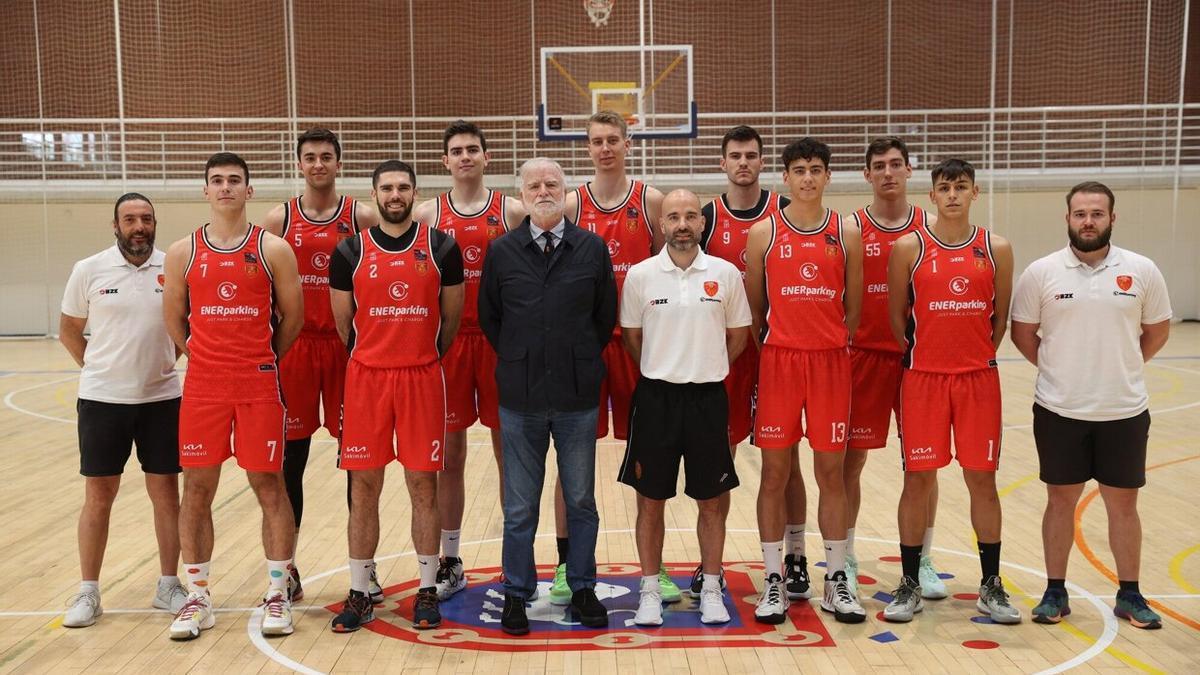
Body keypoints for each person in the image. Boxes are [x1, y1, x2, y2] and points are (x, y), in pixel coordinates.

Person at [1011, 181, 1171, 629]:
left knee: (1124, 506)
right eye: (1080, 214)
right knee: (1060, 502)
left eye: (1096, 214)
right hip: (1059, 410)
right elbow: (1023, 333)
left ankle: (1131, 594)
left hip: (1123, 411)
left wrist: (1121, 366)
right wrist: (1061, 371)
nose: (1087, 221)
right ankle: (1054, 592)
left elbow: (1156, 330)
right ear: (1067, 218)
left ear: (1112, 219)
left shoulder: (1141, 270)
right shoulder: (1042, 272)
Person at [161, 152, 304, 640]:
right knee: (197, 490)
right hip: (203, 387)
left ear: (249, 190)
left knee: (270, 487)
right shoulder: (183, 251)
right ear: (205, 191)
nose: (225, 188)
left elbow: (293, 319)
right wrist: (203, 357)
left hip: (258, 384)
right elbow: (173, 319)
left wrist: (261, 359)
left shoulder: (273, 249)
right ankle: (198, 596)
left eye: (234, 180)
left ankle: (277, 593)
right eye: (217, 181)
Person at [479, 157, 617, 635]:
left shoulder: (592, 248)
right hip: (520, 398)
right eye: (534, 184)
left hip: (578, 396)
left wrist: (575, 357)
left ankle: (582, 587)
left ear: (565, 190)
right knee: (520, 507)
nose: (543, 191)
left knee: (580, 500)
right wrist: (522, 357)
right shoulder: (502, 252)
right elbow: (490, 319)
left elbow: (604, 319)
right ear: (521, 193)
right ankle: (517, 593)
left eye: (552, 183)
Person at [327, 160, 464, 632]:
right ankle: (361, 591)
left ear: (415, 192)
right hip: (367, 381)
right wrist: (376, 356)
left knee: (423, 485)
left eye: (403, 187)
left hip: (422, 379)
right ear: (374, 194)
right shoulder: (349, 251)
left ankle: (427, 590)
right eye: (386, 188)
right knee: (364, 487)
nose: (395, 195)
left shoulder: (442, 247)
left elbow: (451, 323)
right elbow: (344, 325)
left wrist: (418, 355)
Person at [883, 158, 1019, 624]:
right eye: (945, 187)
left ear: (975, 193)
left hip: (978, 379)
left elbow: (999, 318)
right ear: (933, 196)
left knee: (982, 479)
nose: (954, 195)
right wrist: (929, 356)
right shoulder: (909, 247)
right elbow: (896, 315)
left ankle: (991, 585)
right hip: (922, 379)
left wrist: (975, 355)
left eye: (962, 187)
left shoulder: (996, 247)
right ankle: (908, 583)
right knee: (917, 480)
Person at [745, 137, 866, 624]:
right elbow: (756, 310)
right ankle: (774, 579)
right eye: (799, 170)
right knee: (775, 474)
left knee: (830, 474)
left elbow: (852, 309)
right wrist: (781, 345)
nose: (809, 178)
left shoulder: (847, 232)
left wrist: (828, 341)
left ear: (829, 175)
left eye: (817, 169)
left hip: (831, 363)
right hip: (779, 362)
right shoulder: (764, 233)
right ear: (786, 177)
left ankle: (836, 579)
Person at [549, 110, 667, 605]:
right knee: (572, 460)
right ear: (587, 147)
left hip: (641, 345)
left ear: (628, 142)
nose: (605, 148)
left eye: (613, 140)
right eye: (596, 141)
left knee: (649, 458)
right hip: (587, 347)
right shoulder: (571, 205)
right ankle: (564, 564)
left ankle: (652, 570)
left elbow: (669, 267)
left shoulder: (653, 201)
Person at [618, 189, 750, 626]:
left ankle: (711, 587)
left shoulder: (726, 274)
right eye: (673, 216)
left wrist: (704, 365)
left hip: (708, 399)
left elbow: (738, 336)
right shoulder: (640, 276)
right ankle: (650, 591)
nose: (682, 224)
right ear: (661, 224)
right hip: (656, 399)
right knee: (650, 502)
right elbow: (634, 340)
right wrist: (668, 367)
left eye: (691, 215)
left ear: (702, 223)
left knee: (711, 501)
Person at [260, 128, 379, 603]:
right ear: (299, 164)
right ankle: (285, 567)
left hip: (350, 349)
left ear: (338, 163)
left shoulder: (362, 216)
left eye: (326, 157)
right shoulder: (278, 219)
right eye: (310, 157)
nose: (318, 165)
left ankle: (363, 569)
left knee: (360, 463)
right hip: (296, 348)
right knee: (291, 462)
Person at [59, 193, 187, 627]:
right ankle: (88, 592)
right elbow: (70, 329)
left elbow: (183, 330)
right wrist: (98, 368)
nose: (139, 226)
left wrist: (165, 364)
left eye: (146, 219)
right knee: (99, 497)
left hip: (161, 400)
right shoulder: (88, 269)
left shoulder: (174, 267)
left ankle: (169, 584)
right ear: (115, 225)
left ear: (155, 223)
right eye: (130, 219)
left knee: (167, 496)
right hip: (102, 401)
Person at [411, 120, 526, 600]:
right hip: (451, 343)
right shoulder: (426, 213)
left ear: (486, 157)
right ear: (445, 161)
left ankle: (513, 561)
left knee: (510, 458)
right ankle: (451, 559)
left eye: (472, 149)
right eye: (456, 151)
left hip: (501, 343)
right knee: (449, 458)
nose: (464, 157)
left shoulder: (513, 211)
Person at [843, 137, 947, 598]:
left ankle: (922, 559)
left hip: (917, 362)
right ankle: (842, 555)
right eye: (879, 166)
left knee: (923, 468)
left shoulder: (931, 227)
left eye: (896, 165)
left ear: (909, 171)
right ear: (866, 175)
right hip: (862, 357)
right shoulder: (850, 228)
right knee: (850, 462)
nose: (888, 173)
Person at [698, 125, 788, 595]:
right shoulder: (707, 218)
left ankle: (792, 558)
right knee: (721, 460)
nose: (743, 163)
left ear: (761, 161)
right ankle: (708, 561)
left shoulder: (785, 213)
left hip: (776, 353)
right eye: (735, 155)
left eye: (751, 155)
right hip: (727, 356)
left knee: (783, 462)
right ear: (723, 163)